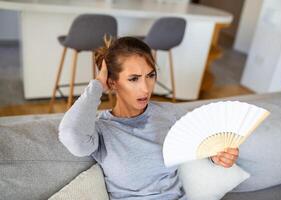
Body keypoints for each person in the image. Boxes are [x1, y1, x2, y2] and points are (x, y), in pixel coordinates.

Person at [58, 36, 239, 200]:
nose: (146, 88)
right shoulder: (101, 130)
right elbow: (70, 134)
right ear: (112, 82)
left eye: (150, 75)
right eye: (134, 79)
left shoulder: (169, 113)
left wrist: (217, 158)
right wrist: (97, 84)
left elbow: (202, 146)